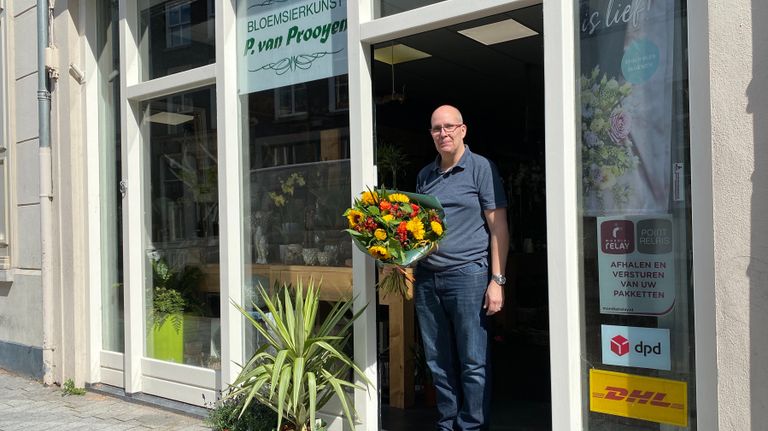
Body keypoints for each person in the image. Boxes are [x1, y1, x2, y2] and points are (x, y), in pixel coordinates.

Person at [414, 105, 509, 430]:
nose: (444, 133)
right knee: (437, 361)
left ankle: (471, 425)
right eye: (437, 128)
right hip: (428, 279)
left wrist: (497, 280)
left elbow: (499, 228)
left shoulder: (481, 168)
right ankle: (447, 423)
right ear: (431, 134)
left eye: (449, 127)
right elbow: (421, 232)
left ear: (463, 130)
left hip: (468, 276)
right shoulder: (425, 176)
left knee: (473, 361)